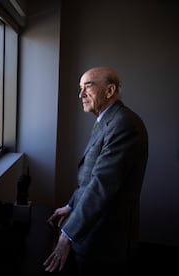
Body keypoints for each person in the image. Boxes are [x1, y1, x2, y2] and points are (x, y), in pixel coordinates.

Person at [43, 67, 148, 275]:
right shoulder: (106, 121)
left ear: (110, 91)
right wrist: (71, 205)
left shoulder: (123, 124)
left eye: (87, 87)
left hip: (105, 242)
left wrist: (67, 234)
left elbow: (101, 185)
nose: (80, 94)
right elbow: (90, 176)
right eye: (80, 88)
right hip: (93, 234)